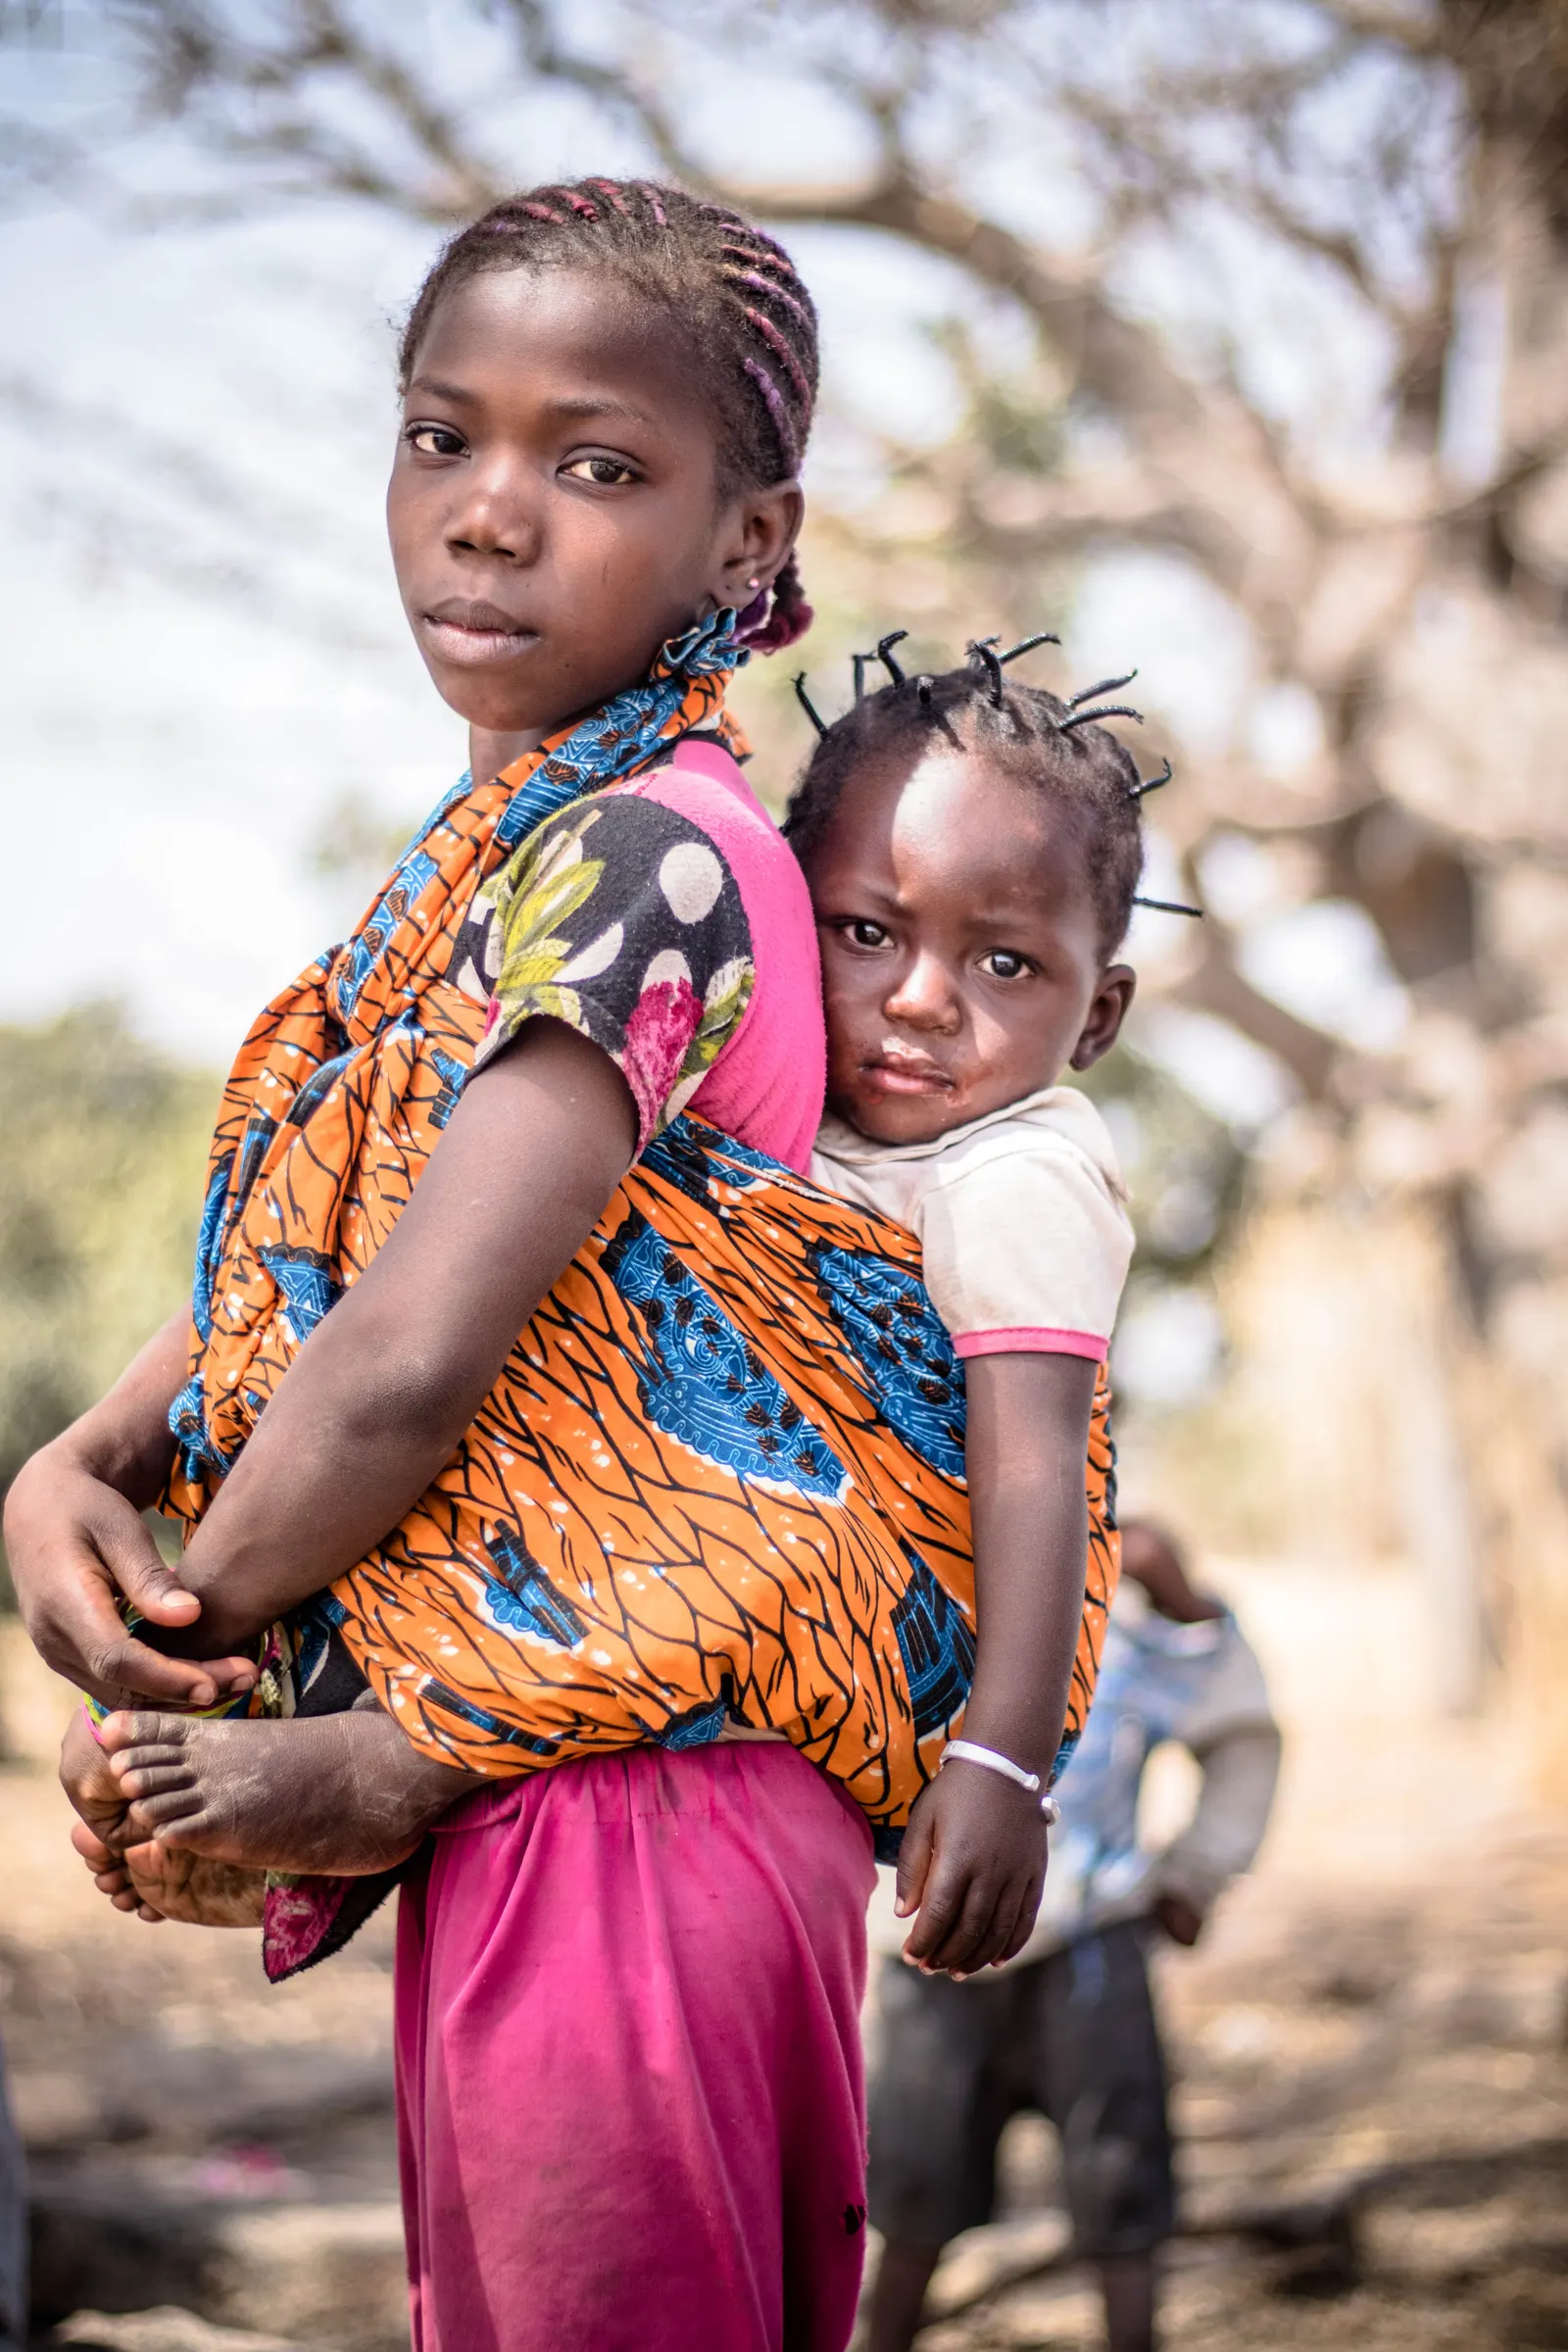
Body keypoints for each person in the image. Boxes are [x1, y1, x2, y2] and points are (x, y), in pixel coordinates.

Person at [4, 181, 1124, 2352]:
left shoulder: (641, 862)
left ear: (745, 538)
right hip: (583, 1793)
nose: (492, 514)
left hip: (637, 1807)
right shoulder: (533, 856)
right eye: (446, 438)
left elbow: (415, 1353)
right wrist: (83, 1457)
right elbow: (375, 1231)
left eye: (595, 462)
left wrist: (187, 1641)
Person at [862, 1520, 1282, 2352]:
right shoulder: (875, 1549)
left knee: (1122, 2195)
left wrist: (1198, 1871)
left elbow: (1238, 1730)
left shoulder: (1122, 1576)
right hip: (922, 1950)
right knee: (912, 2198)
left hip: (1090, 1947)